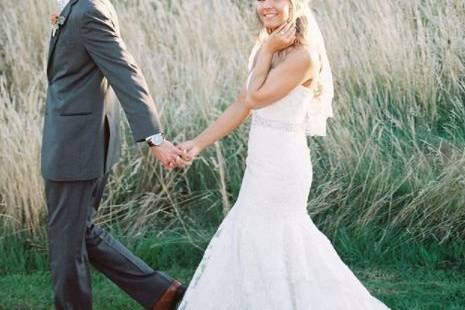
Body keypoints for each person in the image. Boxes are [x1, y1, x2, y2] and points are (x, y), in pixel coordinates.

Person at [177, 0, 390, 309]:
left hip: (282, 167)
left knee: (273, 238)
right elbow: (242, 104)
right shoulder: (270, 48)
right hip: (260, 162)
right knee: (255, 238)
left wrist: (264, 51)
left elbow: (256, 97)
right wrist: (197, 144)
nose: (265, 6)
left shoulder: (303, 56)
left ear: (294, 4)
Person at [43, 0, 189, 308]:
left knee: (66, 248)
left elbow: (125, 72)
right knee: (79, 233)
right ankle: (161, 292)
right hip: (76, 141)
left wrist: (155, 137)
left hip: (76, 147)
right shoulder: (80, 7)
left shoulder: (88, 11)